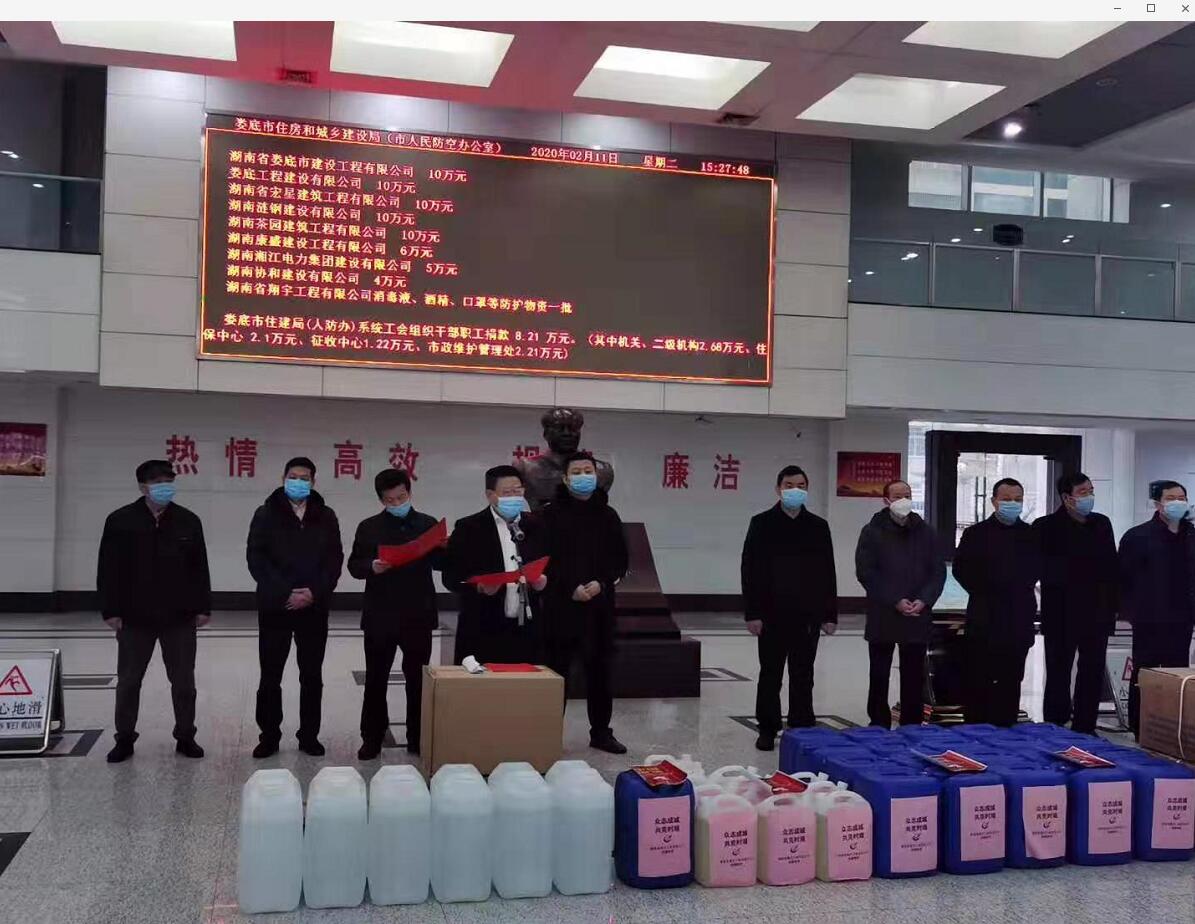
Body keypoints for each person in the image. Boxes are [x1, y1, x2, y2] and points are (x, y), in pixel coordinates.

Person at [97, 459, 211, 763]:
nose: (164, 487)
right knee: (129, 681)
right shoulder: (120, 520)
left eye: (168, 481)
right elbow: (108, 569)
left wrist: (203, 607)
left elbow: (199, 568)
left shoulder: (188, 520)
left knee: (184, 682)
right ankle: (124, 738)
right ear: (142, 486)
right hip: (134, 617)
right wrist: (110, 610)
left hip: (179, 617)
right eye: (157, 482)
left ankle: (185, 736)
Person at [247, 457, 343, 758]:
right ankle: (269, 736)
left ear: (313, 482)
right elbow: (256, 559)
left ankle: (309, 736)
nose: (298, 482)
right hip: (275, 607)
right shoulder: (265, 514)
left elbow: (334, 560)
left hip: (314, 608)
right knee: (270, 675)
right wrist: (285, 593)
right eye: (293, 476)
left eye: (304, 477)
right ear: (283, 478)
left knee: (311, 675)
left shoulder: (326, 515)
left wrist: (313, 593)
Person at [347, 468, 446, 761]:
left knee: (417, 678)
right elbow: (354, 566)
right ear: (381, 500)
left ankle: (417, 736)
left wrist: (443, 547)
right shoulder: (369, 527)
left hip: (418, 613)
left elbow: (441, 564)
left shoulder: (427, 524)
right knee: (376, 678)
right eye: (390, 500)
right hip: (381, 614)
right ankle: (372, 737)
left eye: (401, 497)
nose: (397, 503)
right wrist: (372, 566)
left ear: (409, 493)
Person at [742, 465, 838, 751]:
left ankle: (801, 727)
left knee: (803, 674)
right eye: (788, 485)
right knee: (770, 674)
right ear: (778, 489)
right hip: (771, 614)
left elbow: (827, 572)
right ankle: (767, 728)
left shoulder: (818, 526)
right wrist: (752, 613)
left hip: (807, 615)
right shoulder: (761, 523)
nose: (795, 490)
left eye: (800, 485)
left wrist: (830, 614)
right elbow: (749, 570)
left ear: (807, 489)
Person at [542, 452, 629, 754]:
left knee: (600, 672)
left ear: (596, 475)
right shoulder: (549, 515)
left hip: (599, 607)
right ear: (565, 479)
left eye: (587, 471)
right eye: (576, 472)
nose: (583, 477)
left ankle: (601, 732)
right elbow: (543, 560)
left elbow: (620, 559)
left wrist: (601, 583)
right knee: (557, 674)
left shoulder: (608, 515)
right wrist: (569, 588)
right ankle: (548, 733)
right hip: (560, 606)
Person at [855, 480, 945, 728]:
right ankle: (878, 721)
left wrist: (924, 600)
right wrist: (894, 600)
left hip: (917, 613)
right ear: (886, 500)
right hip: (884, 613)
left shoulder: (926, 532)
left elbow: (937, 572)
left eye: (907, 495)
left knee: (913, 674)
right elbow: (866, 572)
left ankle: (911, 724)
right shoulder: (872, 531)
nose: (903, 500)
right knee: (879, 673)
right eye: (897, 496)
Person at [952, 477, 1042, 727]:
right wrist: (987, 589)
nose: (1013, 503)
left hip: (1018, 617)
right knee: (978, 677)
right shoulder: (975, 534)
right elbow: (961, 570)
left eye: (1018, 499)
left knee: (1011, 678)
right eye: (1007, 499)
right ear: (994, 501)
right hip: (985, 616)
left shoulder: (1031, 535)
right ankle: (976, 730)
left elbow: (1036, 569)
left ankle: (1006, 729)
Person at [1033, 472, 1119, 734]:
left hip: (1097, 611)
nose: (1089, 496)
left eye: (1091, 491)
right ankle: (1055, 724)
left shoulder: (1101, 524)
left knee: (1092, 670)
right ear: (1066, 498)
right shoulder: (1045, 527)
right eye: (1083, 492)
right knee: (1058, 670)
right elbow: (1041, 569)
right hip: (1061, 611)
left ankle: (1085, 725)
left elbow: (1112, 568)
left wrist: (1113, 607)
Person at [443, 465, 548, 666]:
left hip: (528, 628)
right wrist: (479, 587)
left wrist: (542, 583)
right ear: (490, 495)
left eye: (518, 491)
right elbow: (451, 577)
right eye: (507, 493)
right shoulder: (469, 528)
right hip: (483, 627)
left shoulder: (537, 526)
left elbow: (551, 566)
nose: (514, 497)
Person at [1119, 479, 1195, 737]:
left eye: (1181, 498)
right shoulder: (1138, 537)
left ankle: (1173, 726)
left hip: (1182, 617)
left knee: (1177, 673)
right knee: (1144, 672)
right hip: (1148, 618)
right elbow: (1124, 579)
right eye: (1171, 498)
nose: (1177, 503)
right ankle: (1139, 726)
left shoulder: (1191, 536)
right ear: (1157, 503)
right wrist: (1129, 612)